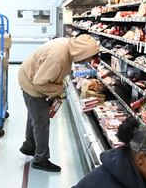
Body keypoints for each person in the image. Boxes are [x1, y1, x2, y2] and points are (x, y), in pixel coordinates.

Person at [18, 34, 100, 172]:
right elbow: (40, 82)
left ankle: (29, 145)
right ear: (83, 52)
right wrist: (58, 89)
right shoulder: (58, 57)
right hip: (32, 83)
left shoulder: (67, 46)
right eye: (89, 56)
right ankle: (41, 159)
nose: (89, 60)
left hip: (29, 75)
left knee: (34, 115)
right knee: (41, 122)